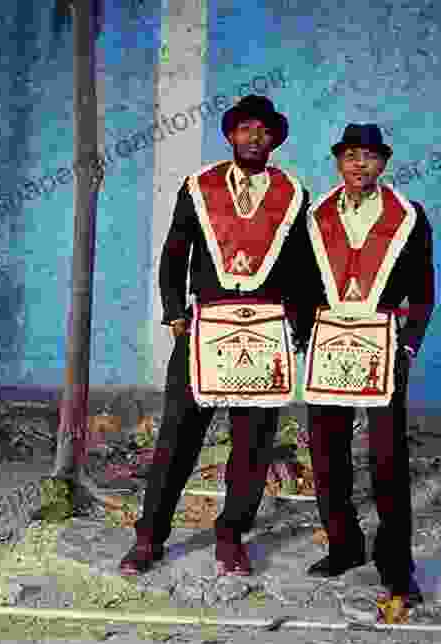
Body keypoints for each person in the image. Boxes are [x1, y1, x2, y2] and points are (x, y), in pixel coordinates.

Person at [119, 95, 315, 576]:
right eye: (245, 128)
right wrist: (173, 312)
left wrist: (300, 326)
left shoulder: (293, 192)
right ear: (231, 135)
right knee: (177, 438)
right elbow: (174, 253)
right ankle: (149, 538)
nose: (254, 137)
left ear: (275, 140)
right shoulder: (199, 185)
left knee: (252, 445)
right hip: (205, 325)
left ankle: (231, 536)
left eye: (263, 131)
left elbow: (304, 268)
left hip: (266, 330)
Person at [300, 124, 435, 622]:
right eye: (352, 156)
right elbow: (301, 280)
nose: (361, 165)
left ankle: (397, 568)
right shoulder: (315, 217)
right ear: (339, 161)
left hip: (384, 342)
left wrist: (411, 344)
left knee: (386, 459)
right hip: (329, 342)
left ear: (384, 163)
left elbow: (423, 287)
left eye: (371, 157)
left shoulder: (408, 217)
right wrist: (302, 336)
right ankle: (343, 546)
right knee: (326, 449)